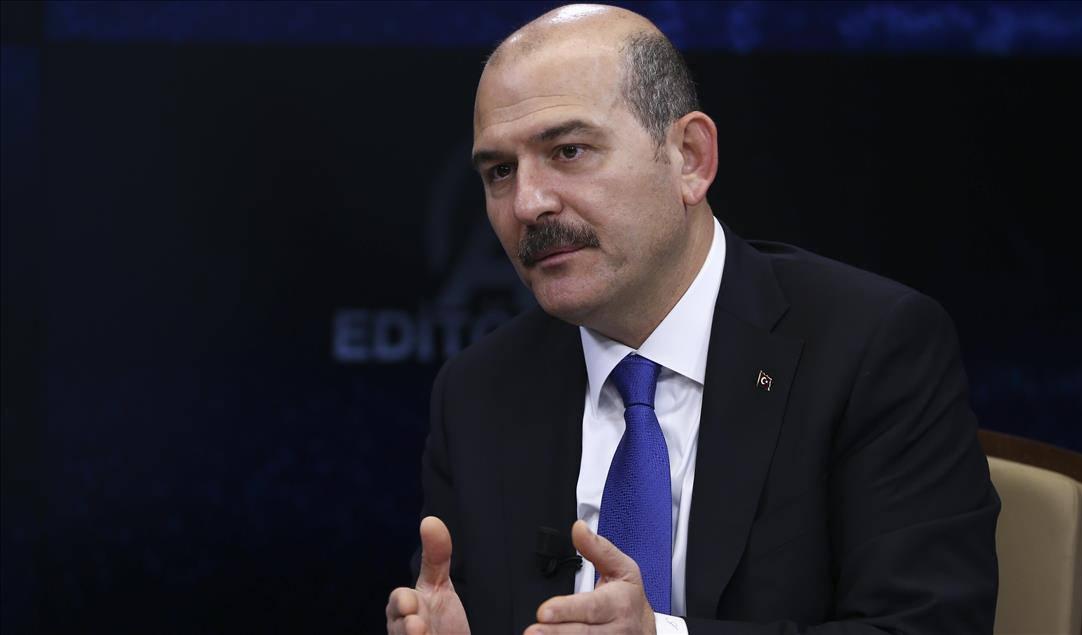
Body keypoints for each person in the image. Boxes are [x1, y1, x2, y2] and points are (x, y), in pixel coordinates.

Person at [386, 4, 999, 634]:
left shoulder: (872, 347)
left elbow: (927, 624)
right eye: (500, 171)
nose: (528, 203)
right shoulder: (479, 391)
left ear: (689, 158)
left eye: (568, 151)